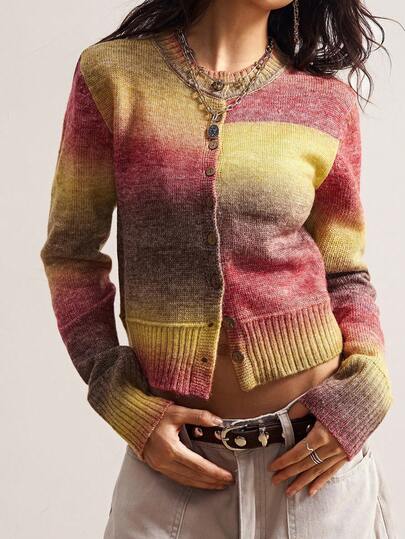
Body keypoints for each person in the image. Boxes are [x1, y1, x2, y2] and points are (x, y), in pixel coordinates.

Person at [40, 0, 397, 537]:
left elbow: (345, 272)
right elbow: (71, 257)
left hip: (316, 464)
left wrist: (368, 386)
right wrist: (119, 398)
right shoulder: (114, 76)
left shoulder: (325, 101)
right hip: (172, 465)